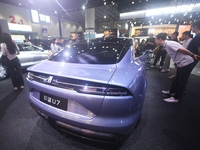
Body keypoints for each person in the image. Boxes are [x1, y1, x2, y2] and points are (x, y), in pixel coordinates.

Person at [155, 33, 199, 103]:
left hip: (186, 63)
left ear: (160, 39)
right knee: (176, 79)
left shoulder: (169, 44)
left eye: (156, 39)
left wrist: (193, 55)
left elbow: (182, 50)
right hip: (181, 63)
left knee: (181, 81)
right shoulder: (166, 45)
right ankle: (172, 91)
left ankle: (176, 98)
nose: (155, 41)